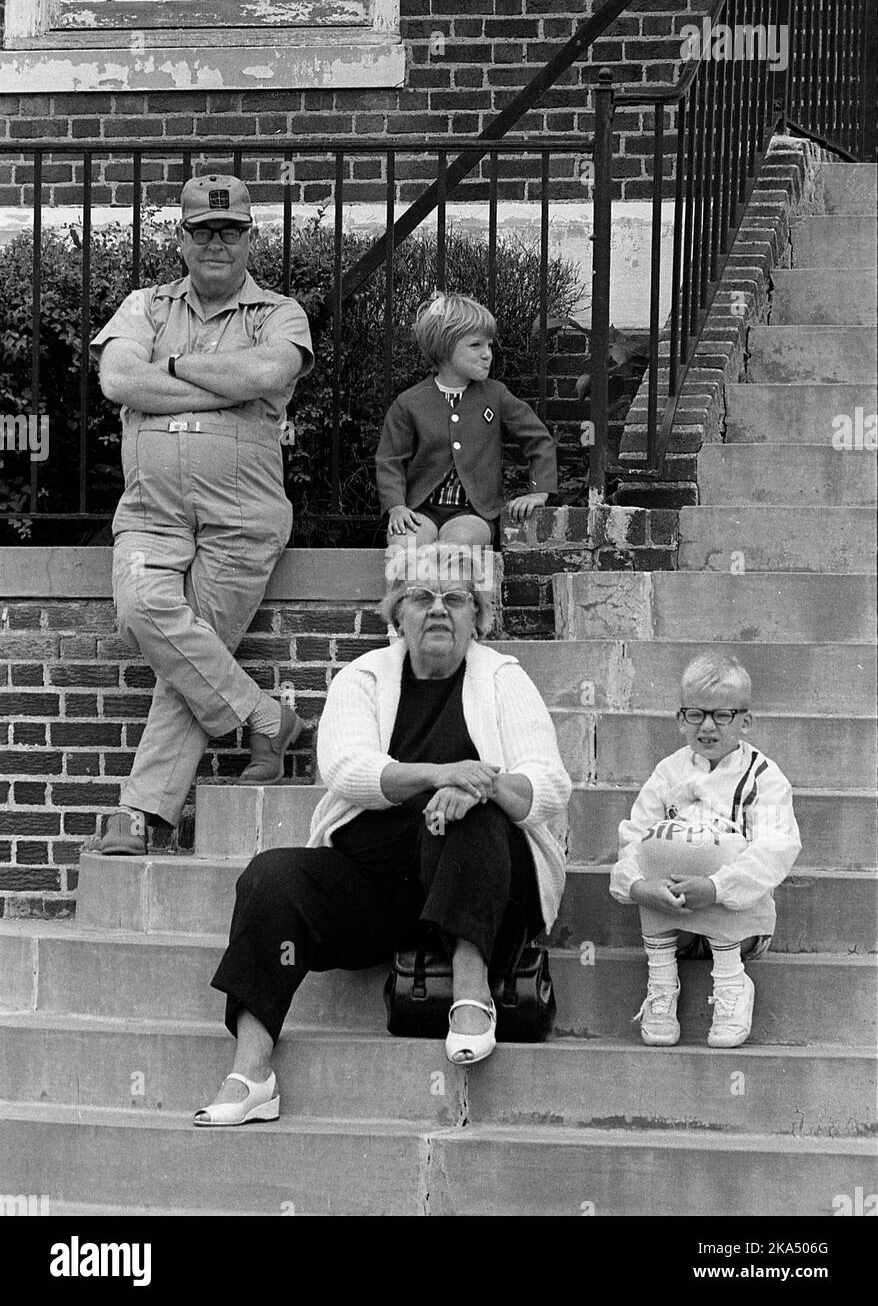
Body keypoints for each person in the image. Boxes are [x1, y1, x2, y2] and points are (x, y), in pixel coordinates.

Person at [193, 545, 571, 1126]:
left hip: (482, 881)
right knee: (272, 877)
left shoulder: (504, 680)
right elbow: (345, 769)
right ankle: (252, 1071)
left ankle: (471, 994)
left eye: (456, 599)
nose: (438, 610)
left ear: (479, 617)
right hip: (382, 886)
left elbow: (548, 783)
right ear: (398, 614)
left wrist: (479, 787)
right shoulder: (364, 677)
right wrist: (438, 774)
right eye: (422, 597)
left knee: (471, 815)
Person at [88, 175, 314, 856]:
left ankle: (140, 812)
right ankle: (263, 715)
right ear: (180, 239)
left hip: (241, 516)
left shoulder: (279, 313)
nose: (217, 242)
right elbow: (120, 380)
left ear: (250, 239)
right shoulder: (143, 305)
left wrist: (178, 367)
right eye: (202, 231)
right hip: (151, 513)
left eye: (231, 231)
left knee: (188, 662)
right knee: (143, 612)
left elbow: (267, 376)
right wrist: (224, 387)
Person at [610, 652, 801, 1049]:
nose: (708, 726)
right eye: (695, 714)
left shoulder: (763, 777)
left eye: (723, 715)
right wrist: (637, 886)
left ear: (745, 721)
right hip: (674, 923)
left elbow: (777, 847)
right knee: (660, 841)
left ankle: (731, 984)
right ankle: (662, 981)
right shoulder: (668, 772)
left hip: (740, 925)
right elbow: (633, 836)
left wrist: (715, 886)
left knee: (717, 842)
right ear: (681, 719)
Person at [375, 292, 558, 550]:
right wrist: (396, 506)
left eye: (489, 345)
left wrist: (539, 490)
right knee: (405, 545)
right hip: (420, 511)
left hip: (472, 513)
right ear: (444, 348)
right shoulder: (409, 402)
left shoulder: (496, 395)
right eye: (476, 345)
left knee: (459, 544)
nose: (487, 354)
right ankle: (412, 592)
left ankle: (452, 592)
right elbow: (390, 460)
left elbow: (538, 440)